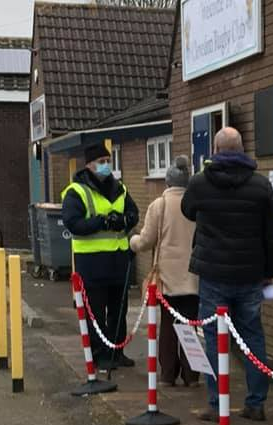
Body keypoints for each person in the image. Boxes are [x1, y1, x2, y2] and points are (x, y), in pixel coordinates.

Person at [181, 128, 273, 421]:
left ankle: (216, 403)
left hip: (212, 274)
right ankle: (256, 402)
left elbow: (187, 210)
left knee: (214, 338)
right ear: (242, 149)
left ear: (215, 149)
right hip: (251, 274)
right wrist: (269, 272)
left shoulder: (200, 183)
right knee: (252, 336)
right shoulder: (261, 186)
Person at [61, 142, 139, 370]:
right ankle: (99, 354)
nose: (106, 166)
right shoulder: (77, 191)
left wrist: (123, 220)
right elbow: (73, 224)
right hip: (92, 264)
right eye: (101, 162)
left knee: (119, 311)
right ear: (89, 165)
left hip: (118, 260)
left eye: (108, 162)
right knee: (95, 313)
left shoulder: (120, 188)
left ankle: (117, 352)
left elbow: (133, 214)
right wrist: (102, 221)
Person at [129, 156, 199, 387]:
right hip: (193, 276)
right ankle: (191, 374)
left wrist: (133, 241)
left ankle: (168, 373)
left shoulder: (159, 205)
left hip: (167, 277)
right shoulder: (196, 203)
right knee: (190, 325)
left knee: (168, 325)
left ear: (168, 183)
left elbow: (147, 241)